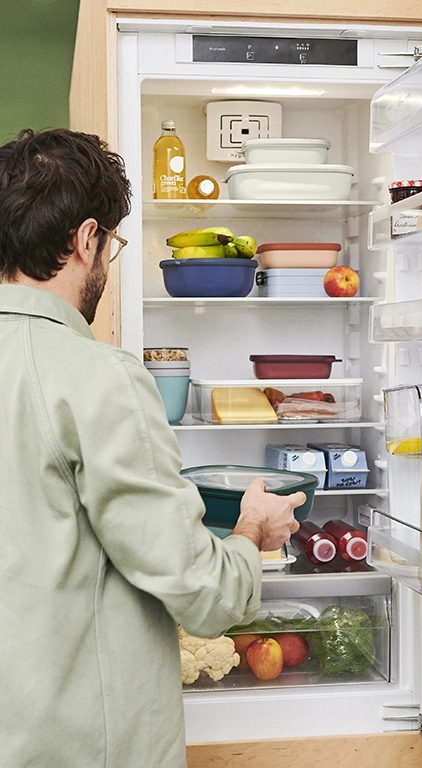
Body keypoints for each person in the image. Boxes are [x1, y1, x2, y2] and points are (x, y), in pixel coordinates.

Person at [0, 128, 305, 768]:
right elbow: (206, 594)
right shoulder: (97, 377)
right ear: (86, 239)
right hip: (78, 748)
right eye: (112, 245)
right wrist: (253, 529)